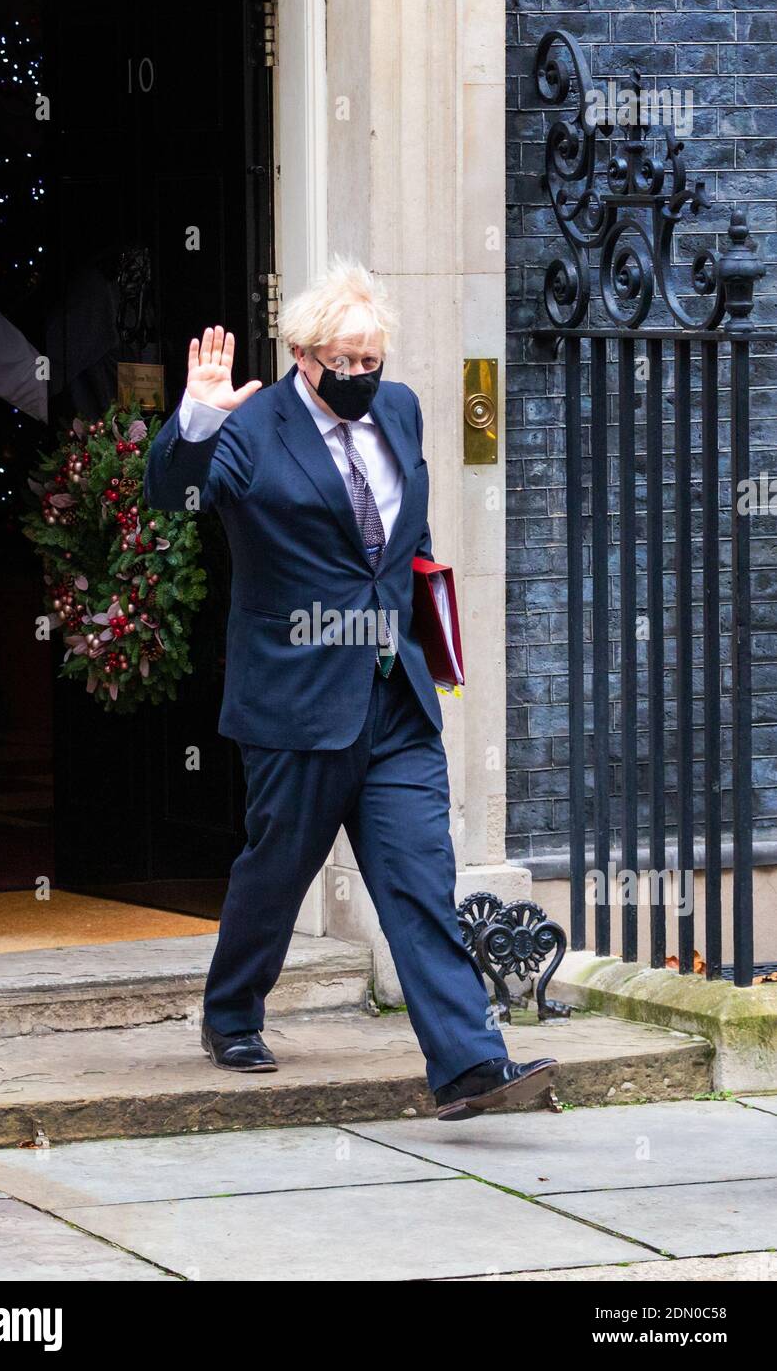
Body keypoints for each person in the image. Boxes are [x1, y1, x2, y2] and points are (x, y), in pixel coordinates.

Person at [143, 258, 557, 1120]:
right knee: (279, 867)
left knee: (416, 876)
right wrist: (194, 421)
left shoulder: (398, 409)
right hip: (295, 694)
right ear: (303, 354)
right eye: (347, 362)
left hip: (395, 694)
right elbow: (173, 498)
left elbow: (405, 531)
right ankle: (232, 1013)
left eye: (374, 361)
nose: (363, 377)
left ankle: (470, 1064)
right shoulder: (252, 427)